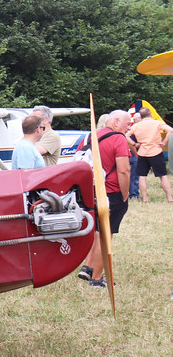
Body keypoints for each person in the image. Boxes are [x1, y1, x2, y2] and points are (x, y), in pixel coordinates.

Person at [79, 110, 131, 287]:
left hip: (91, 191)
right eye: (128, 123)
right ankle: (97, 278)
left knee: (97, 230)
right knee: (106, 234)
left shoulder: (90, 136)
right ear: (116, 121)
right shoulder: (118, 138)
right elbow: (124, 169)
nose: (129, 126)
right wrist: (125, 195)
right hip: (111, 192)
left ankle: (87, 266)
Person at [128, 109, 173, 202]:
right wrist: (164, 142)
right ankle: (169, 198)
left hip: (142, 152)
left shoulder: (136, 126)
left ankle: (144, 198)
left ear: (140, 116)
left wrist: (134, 144)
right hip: (156, 151)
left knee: (142, 176)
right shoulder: (157, 123)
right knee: (163, 175)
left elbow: (126, 135)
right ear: (151, 114)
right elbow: (170, 130)